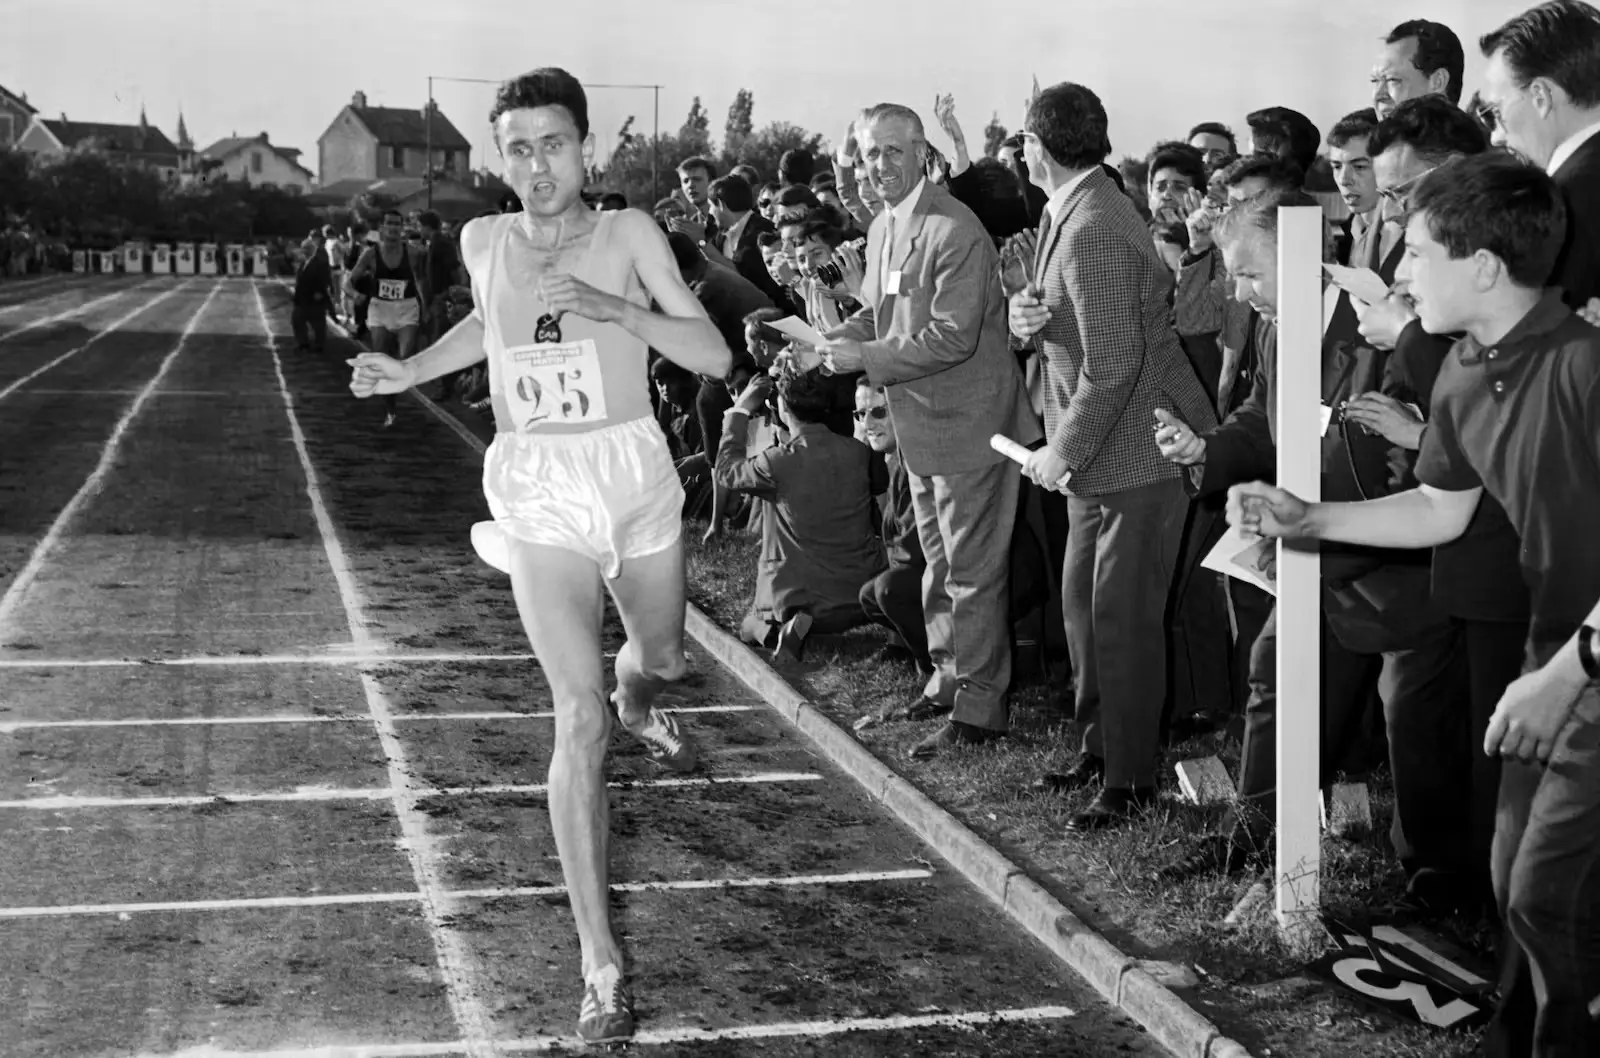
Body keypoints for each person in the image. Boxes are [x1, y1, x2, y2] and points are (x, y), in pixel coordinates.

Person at [346, 67, 729, 1046]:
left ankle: (644, 693)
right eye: (516, 147)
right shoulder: (483, 238)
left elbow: (713, 357)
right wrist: (410, 364)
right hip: (539, 484)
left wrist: (614, 309)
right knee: (577, 711)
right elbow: (488, 320)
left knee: (658, 660)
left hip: (630, 470)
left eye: (552, 143)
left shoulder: (629, 233)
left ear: (584, 148)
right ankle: (600, 962)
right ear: (499, 158)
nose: (536, 163)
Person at [1224, 151, 1600, 1058]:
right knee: (1519, 884)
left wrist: (1574, 669)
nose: (1396, 274)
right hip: (1549, 668)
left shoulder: (1588, 370)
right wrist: (1309, 515)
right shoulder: (1468, 370)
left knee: (1554, 893)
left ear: (1481, 266)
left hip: (1577, 668)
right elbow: (1440, 508)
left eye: (1418, 253)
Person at [1008, 82, 1217, 829]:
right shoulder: (1078, 208)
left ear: (1037, 144)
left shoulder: (1092, 222)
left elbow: (1116, 362)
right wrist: (1026, 318)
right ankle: (1102, 750)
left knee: (1122, 622)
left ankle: (1129, 780)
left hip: (1139, 453)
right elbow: (1079, 328)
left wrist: (1059, 453)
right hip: (1107, 453)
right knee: (1085, 613)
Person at [806, 101, 1039, 759]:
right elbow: (881, 317)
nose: (880, 164)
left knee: (971, 571)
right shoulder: (885, 226)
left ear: (921, 154)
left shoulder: (955, 228)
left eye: (892, 150)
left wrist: (864, 358)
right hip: (922, 426)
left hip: (971, 425)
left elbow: (952, 337)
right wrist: (824, 341)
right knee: (938, 565)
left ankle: (980, 710)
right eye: (869, 152)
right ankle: (945, 679)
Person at [346, 211, 427, 428]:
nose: (392, 228)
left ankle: (394, 396)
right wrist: (356, 296)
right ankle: (390, 410)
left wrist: (426, 306)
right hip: (380, 309)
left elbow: (421, 282)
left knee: (404, 358)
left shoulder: (414, 253)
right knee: (382, 360)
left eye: (397, 224)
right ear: (382, 227)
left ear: (402, 228)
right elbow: (348, 283)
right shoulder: (370, 254)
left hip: (407, 308)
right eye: (389, 223)